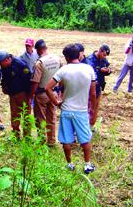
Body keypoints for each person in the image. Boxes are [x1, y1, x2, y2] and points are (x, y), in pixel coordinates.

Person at [45, 44, 97, 174]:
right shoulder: (88, 69)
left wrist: (56, 102)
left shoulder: (63, 70)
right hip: (81, 110)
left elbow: (48, 88)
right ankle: (87, 164)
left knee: (66, 139)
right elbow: (93, 93)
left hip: (66, 109)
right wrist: (93, 107)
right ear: (79, 55)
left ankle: (70, 164)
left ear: (66, 57)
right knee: (85, 138)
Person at [30, 39, 62, 146]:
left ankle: (42, 140)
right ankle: (52, 140)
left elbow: (35, 82)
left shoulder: (39, 63)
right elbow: (61, 77)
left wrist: (32, 95)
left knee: (40, 118)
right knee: (52, 117)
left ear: (38, 50)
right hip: (54, 93)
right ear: (46, 48)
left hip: (42, 93)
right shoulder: (58, 60)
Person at [0, 51, 32, 138]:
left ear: (7, 60)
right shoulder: (5, 66)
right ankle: (16, 135)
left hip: (23, 94)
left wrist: (29, 95)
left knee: (26, 115)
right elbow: (4, 78)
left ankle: (27, 136)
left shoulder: (20, 64)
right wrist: (3, 86)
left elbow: (28, 80)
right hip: (12, 94)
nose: (0, 66)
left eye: (0, 63)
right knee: (14, 114)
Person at [86, 44, 112, 127]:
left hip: (99, 87)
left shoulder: (103, 60)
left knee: (95, 108)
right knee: (88, 107)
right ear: (100, 51)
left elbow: (108, 68)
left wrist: (108, 71)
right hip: (90, 88)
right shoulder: (90, 59)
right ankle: (85, 126)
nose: (104, 57)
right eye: (103, 55)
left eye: (105, 56)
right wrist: (99, 70)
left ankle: (91, 125)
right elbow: (90, 73)